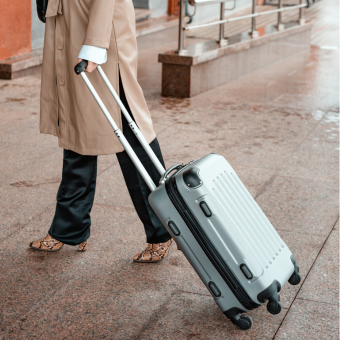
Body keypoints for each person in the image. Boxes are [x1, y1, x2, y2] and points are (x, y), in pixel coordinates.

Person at [29, 0, 174, 263]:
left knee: (130, 133)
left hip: (100, 31)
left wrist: (95, 44)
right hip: (72, 23)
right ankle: (69, 228)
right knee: (77, 130)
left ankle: (162, 230)